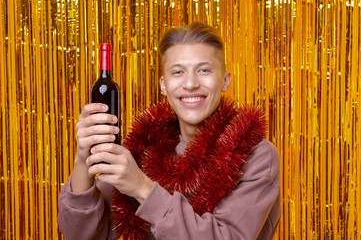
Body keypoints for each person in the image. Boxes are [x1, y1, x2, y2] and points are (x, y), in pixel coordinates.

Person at [58, 22, 281, 240]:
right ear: (164, 85)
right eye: (178, 72)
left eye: (204, 70)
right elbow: (81, 234)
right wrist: (82, 158)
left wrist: (142, 188)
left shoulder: (257, 156)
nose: (191, 83)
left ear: (225, 80)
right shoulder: (145, 149)